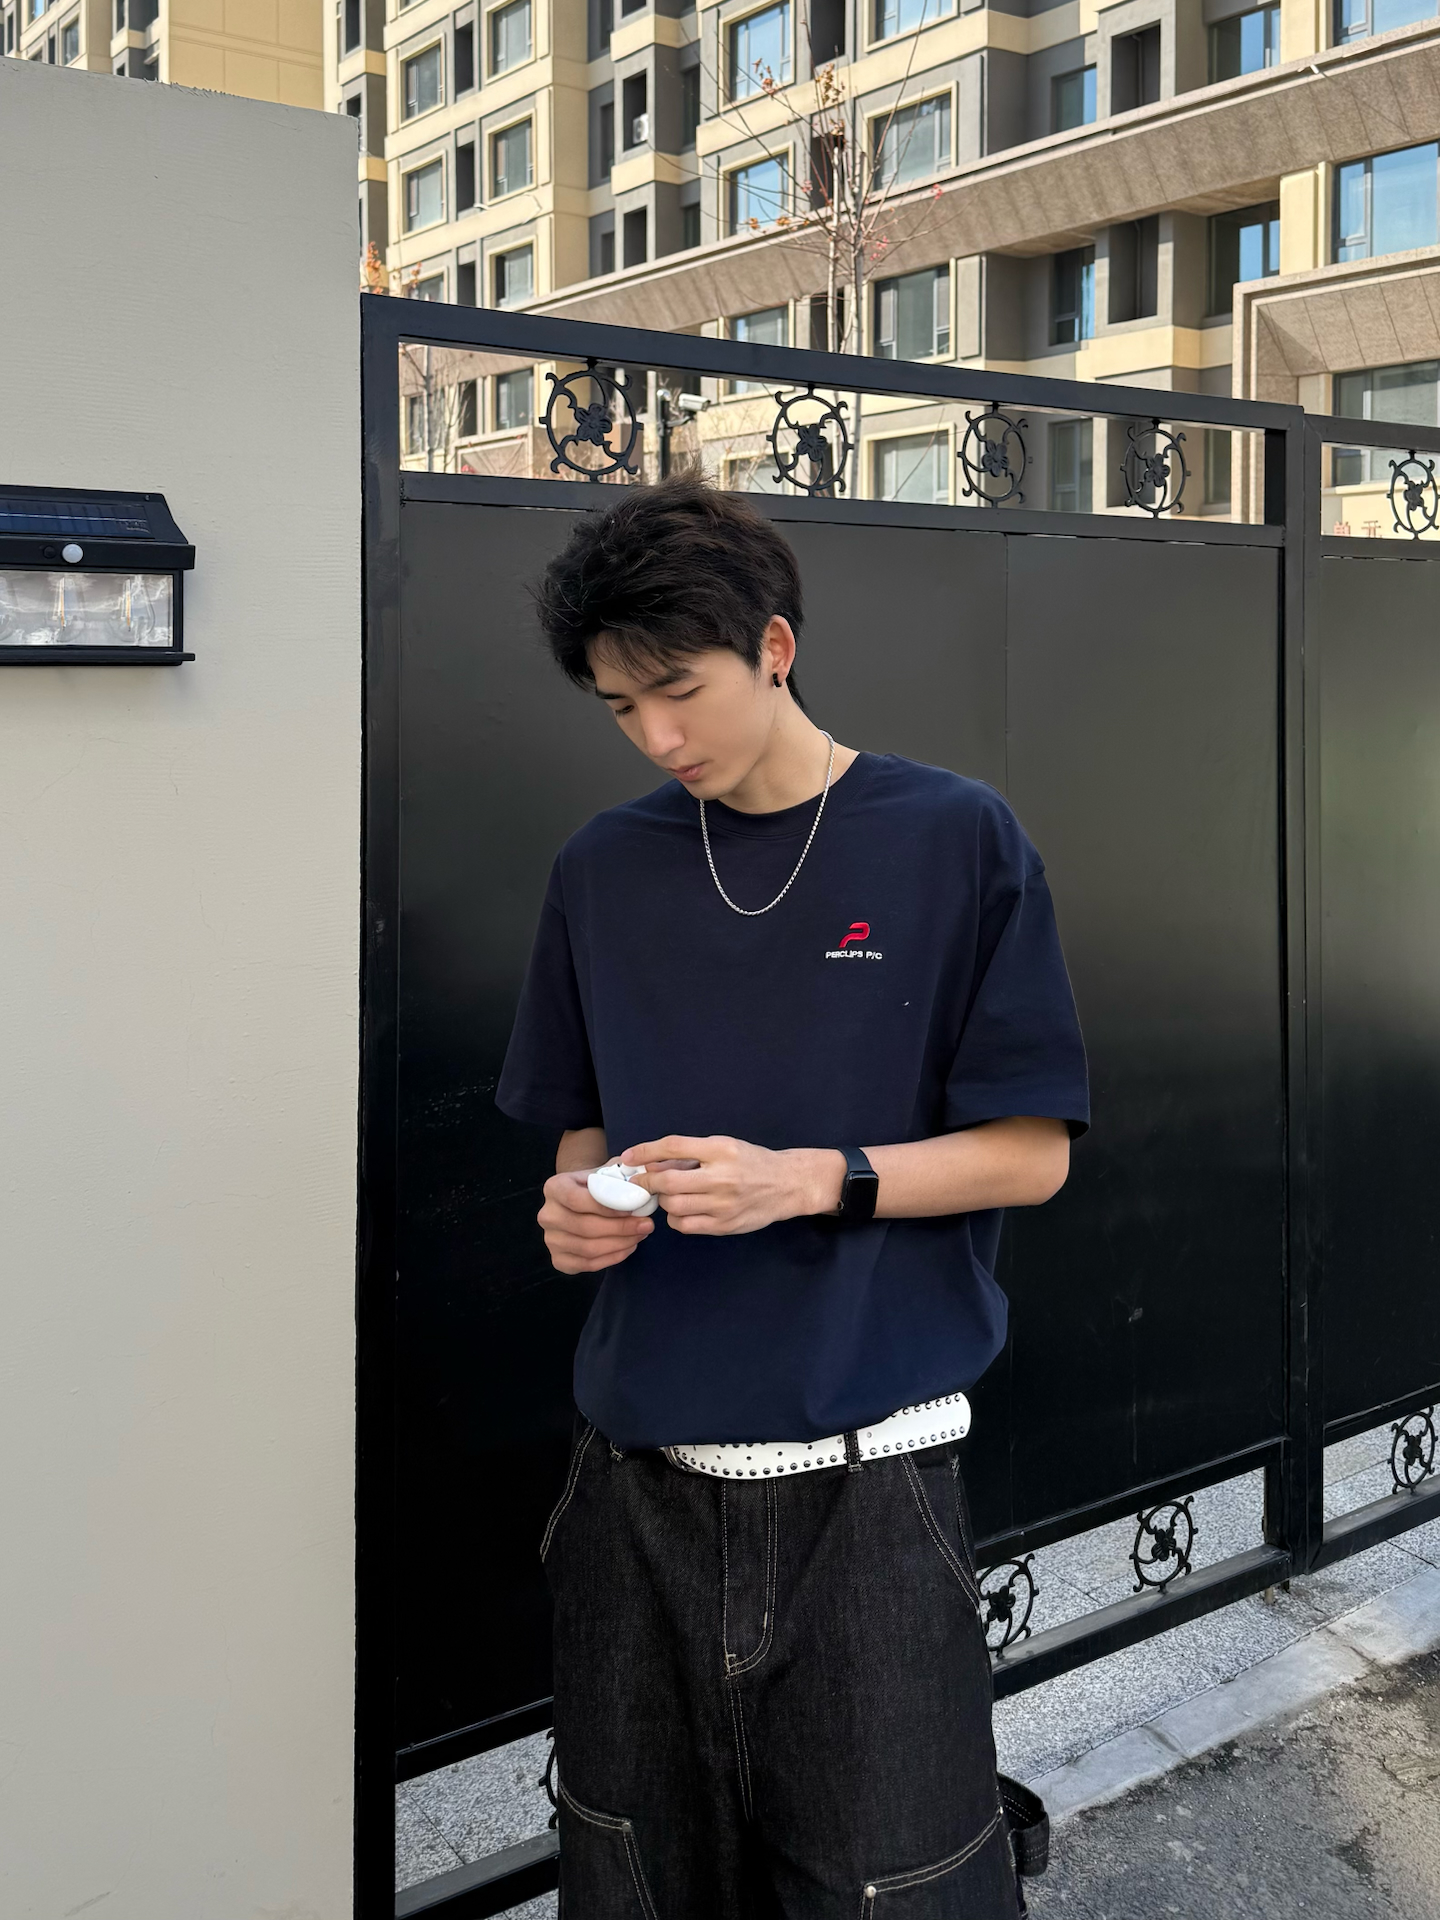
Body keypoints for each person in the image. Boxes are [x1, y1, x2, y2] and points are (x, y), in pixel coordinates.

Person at [496, 474, 1089, 1919]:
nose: (657, 736)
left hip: (870, 1484)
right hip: (633, 1484)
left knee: (893, 1888)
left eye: (677, 690)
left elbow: (1032, 1151)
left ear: (773, 646)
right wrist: (575, 1205)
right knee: (637, 1880)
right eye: (620, 707)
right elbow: (581, 1129)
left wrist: (809, 1180)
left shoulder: (953, 837)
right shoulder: (603, 869)